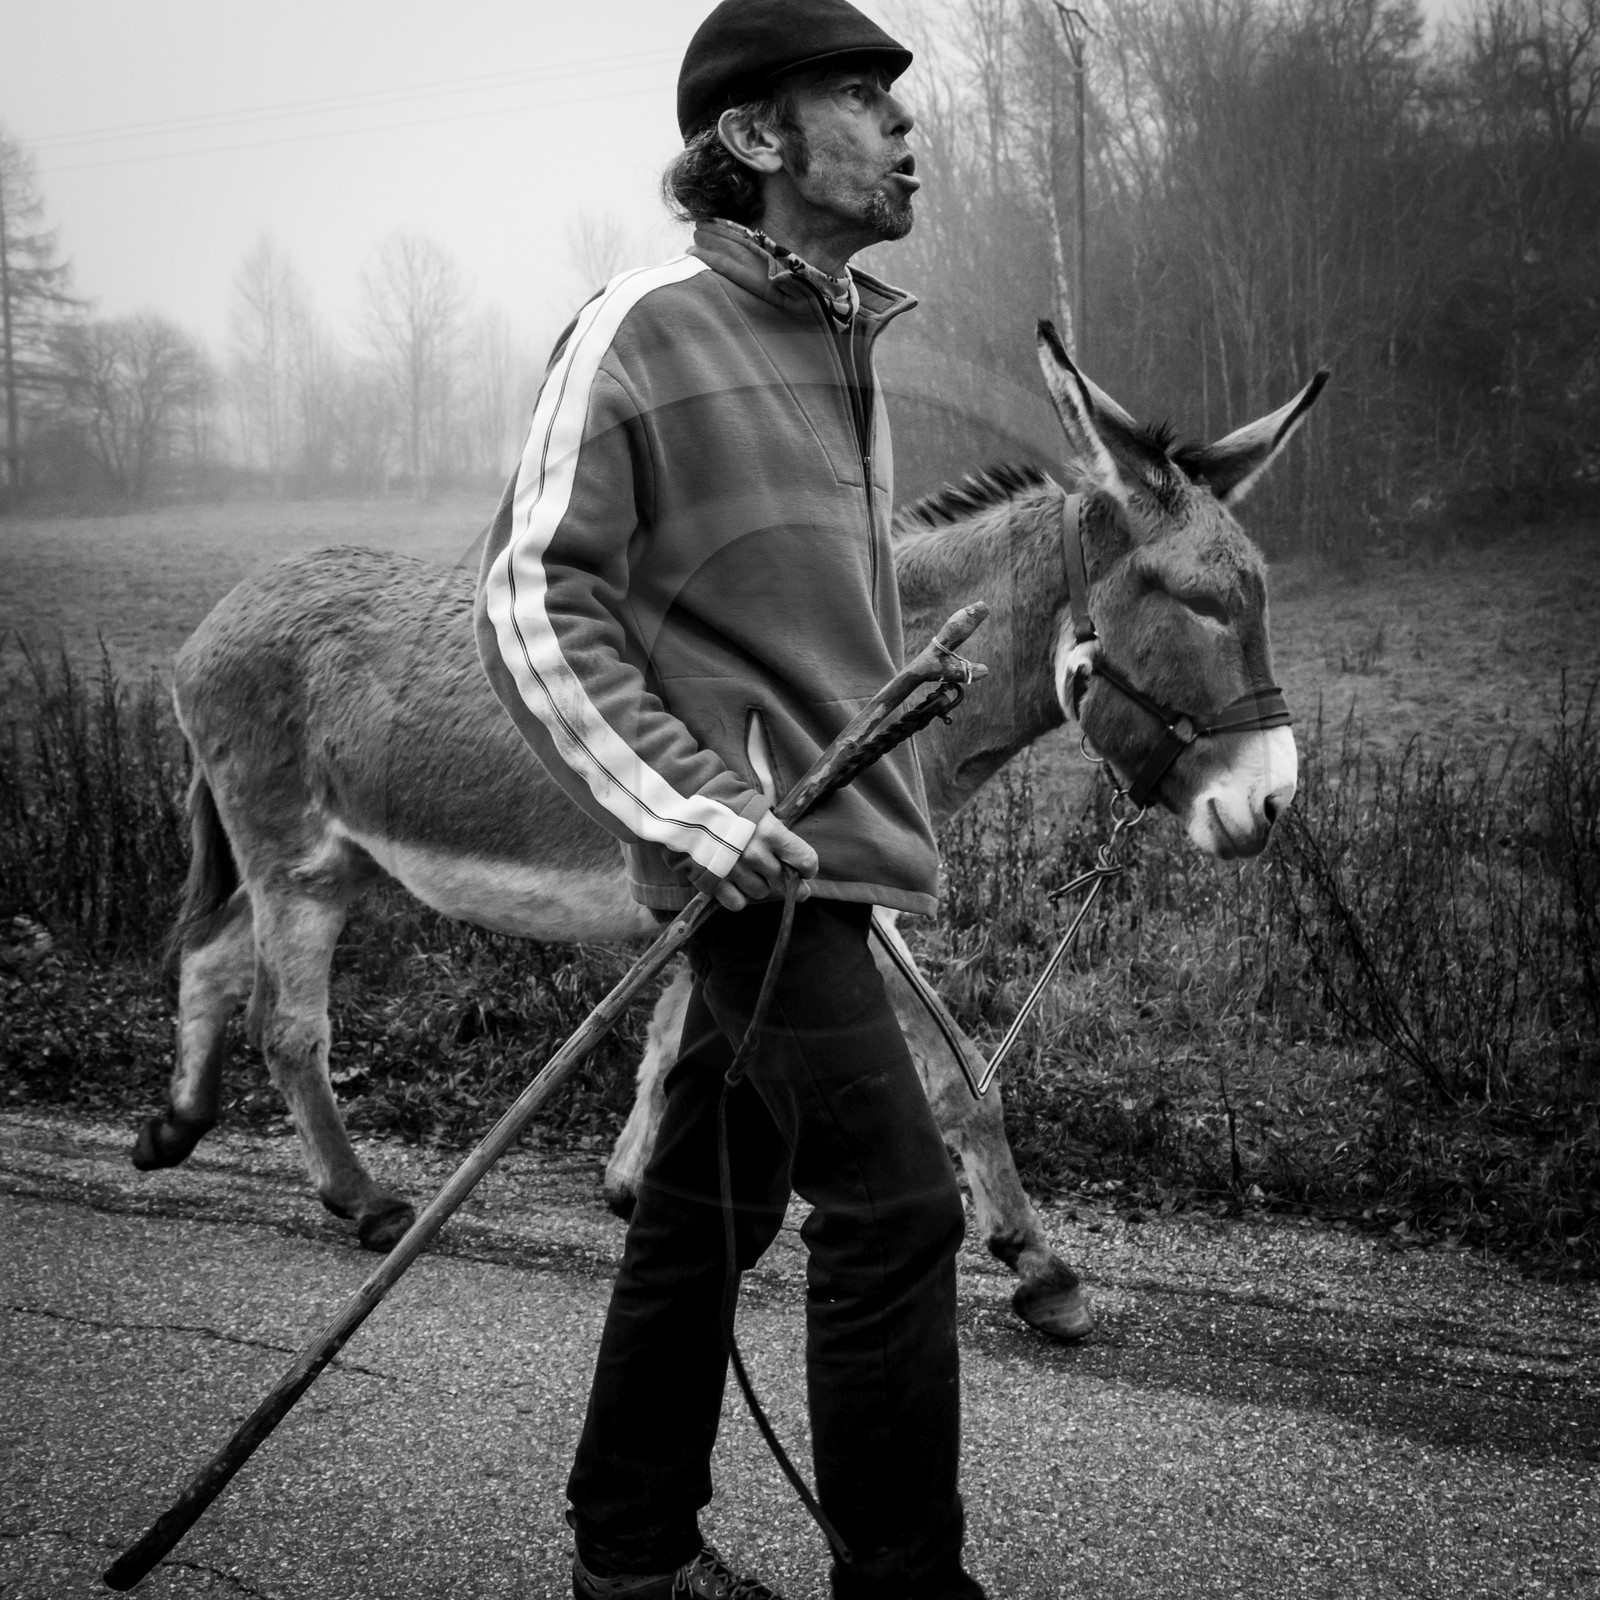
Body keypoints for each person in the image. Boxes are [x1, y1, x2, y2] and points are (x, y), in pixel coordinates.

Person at [475, 3, 986, 1596]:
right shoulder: (642, 321)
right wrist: (693, 809)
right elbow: (527, 598)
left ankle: (629, 1557)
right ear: (758, 138)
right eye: (861, 95)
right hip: (754, 866)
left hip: (827, 853)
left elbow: (782, 624)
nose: (906, 128)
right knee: (899, 1209)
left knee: (704, 1212)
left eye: (901, 100)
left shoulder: (844, 339)